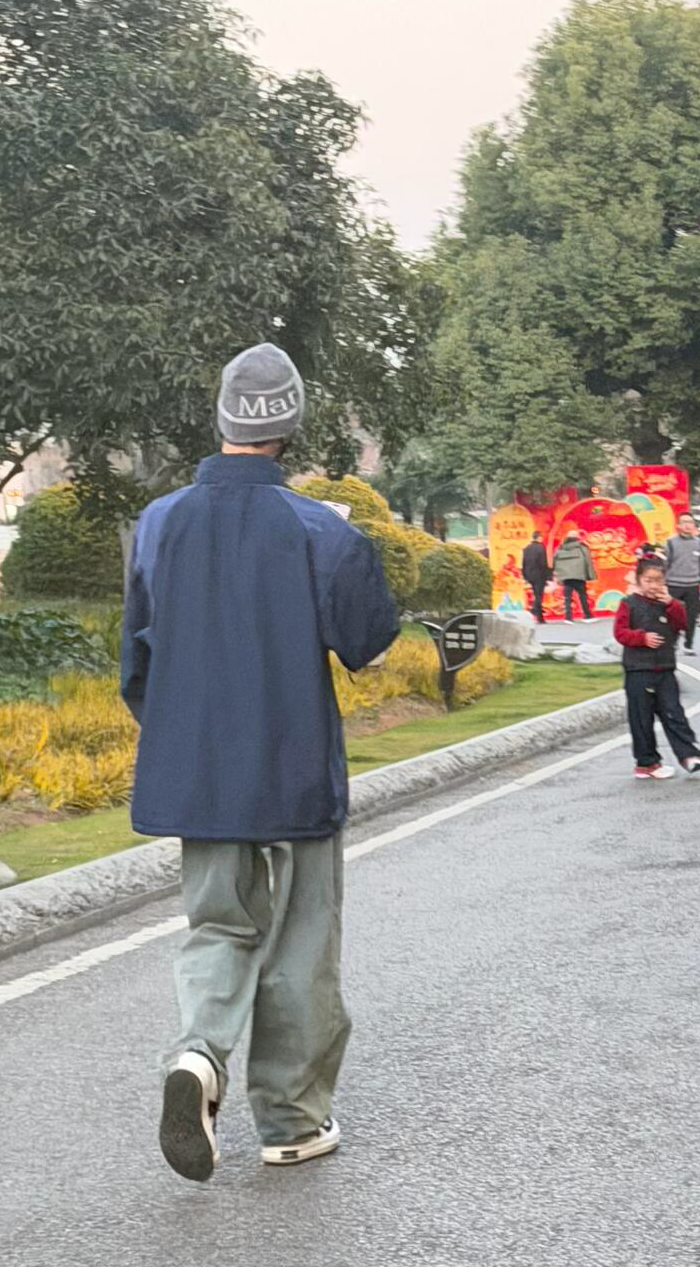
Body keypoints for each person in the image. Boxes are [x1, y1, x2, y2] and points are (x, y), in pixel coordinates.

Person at [120, 344, 399, 1183]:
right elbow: (368, 638)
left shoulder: (158, 522)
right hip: (293, 763)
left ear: (223, 418)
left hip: (198, 767)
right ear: (291, 424)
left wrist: (182, 738)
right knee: (302, 939)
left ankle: (198, 1053)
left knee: (219, 924)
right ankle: (291, 1119)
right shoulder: (319, 527)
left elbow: (138, 662)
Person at [613, 557, 700, 781]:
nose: (653, 585)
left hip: (664, 668)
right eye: (648, 580)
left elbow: (683, 624)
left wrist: (671, 604)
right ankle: (647, 763)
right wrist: (641, 638)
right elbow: (620, 632)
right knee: (641, 718)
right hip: (638, 669)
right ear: (638, 580)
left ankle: (689, 755)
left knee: (674, 713)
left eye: (658, 580)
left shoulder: (670, 604)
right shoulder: (628, 603)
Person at [663, 512, 700, 655]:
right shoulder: (671, 543)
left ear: (694, 525)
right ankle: (672, 643)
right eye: (684, 522)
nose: (687, 525)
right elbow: (665, 563)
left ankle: (688, 645)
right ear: (678, 525)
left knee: (691, 617)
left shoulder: (699, 543)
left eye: (690, 522)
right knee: (672, 616)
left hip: (692, 585)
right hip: (674, 585)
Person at [553, 528, 596, 621]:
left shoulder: (560, 548)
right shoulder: (582, 547)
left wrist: (558, 576)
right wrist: (590, 575)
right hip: (579, 576)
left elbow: (555, 561)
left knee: (567, 598)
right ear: (577, 537)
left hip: (566, 577)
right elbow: (588, 561)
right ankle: (587, 615)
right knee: (583, 596)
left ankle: (568, 617)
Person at [521, 530, 550, 623]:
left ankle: (539, 616)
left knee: (536, 594)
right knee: (539, 595)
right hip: (539, 575)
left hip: (529, 575)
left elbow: (524, 563)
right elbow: (543, 563)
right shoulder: (541, 548)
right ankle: (534, 613)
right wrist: (547, 576)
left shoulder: (527, 548)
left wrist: (525, 575)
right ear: (539, 537)